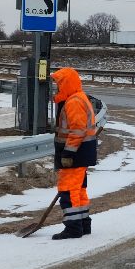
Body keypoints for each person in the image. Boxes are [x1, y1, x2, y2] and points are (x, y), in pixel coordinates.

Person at [49, 67, 102, 240]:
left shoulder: (73, 102)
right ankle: (83, 224)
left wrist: (68, 154)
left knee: (68, 190)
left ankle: (73, 228)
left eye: (58, 84)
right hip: (81, 153)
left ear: (66, 84)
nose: (56, 88)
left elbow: (77, 130)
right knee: (78, 190)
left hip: (75, 155)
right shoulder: (78, 98)